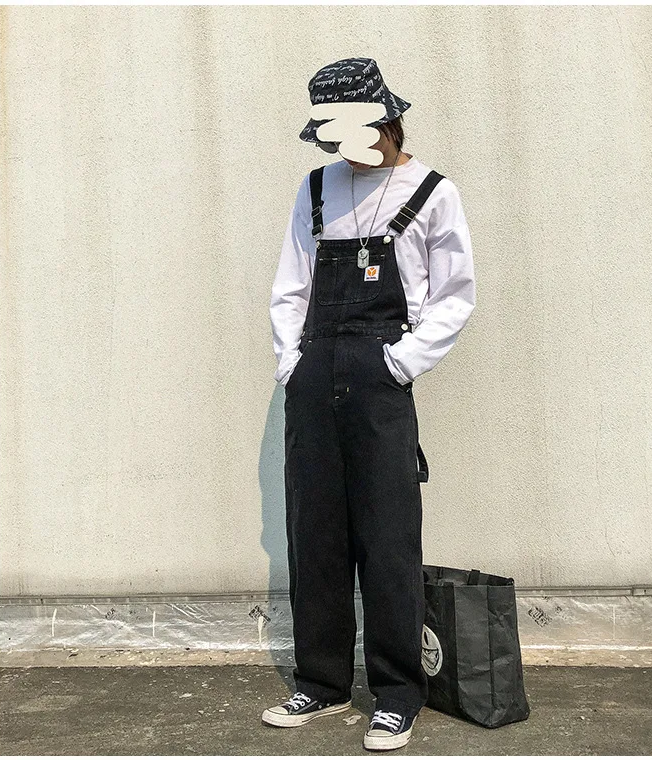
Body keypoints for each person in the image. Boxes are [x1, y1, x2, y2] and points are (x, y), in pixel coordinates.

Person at [265, 57, 476, 751]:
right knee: (315, 533)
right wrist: (291, 363)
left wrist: (400, 362)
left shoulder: (433, 192)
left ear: (386, 120)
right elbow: (291, 286)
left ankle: (397, 693)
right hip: (314, 373)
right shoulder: (316, 188)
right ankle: (321, 682)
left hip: (381, 376)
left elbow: (454, 296)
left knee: (388, 537)